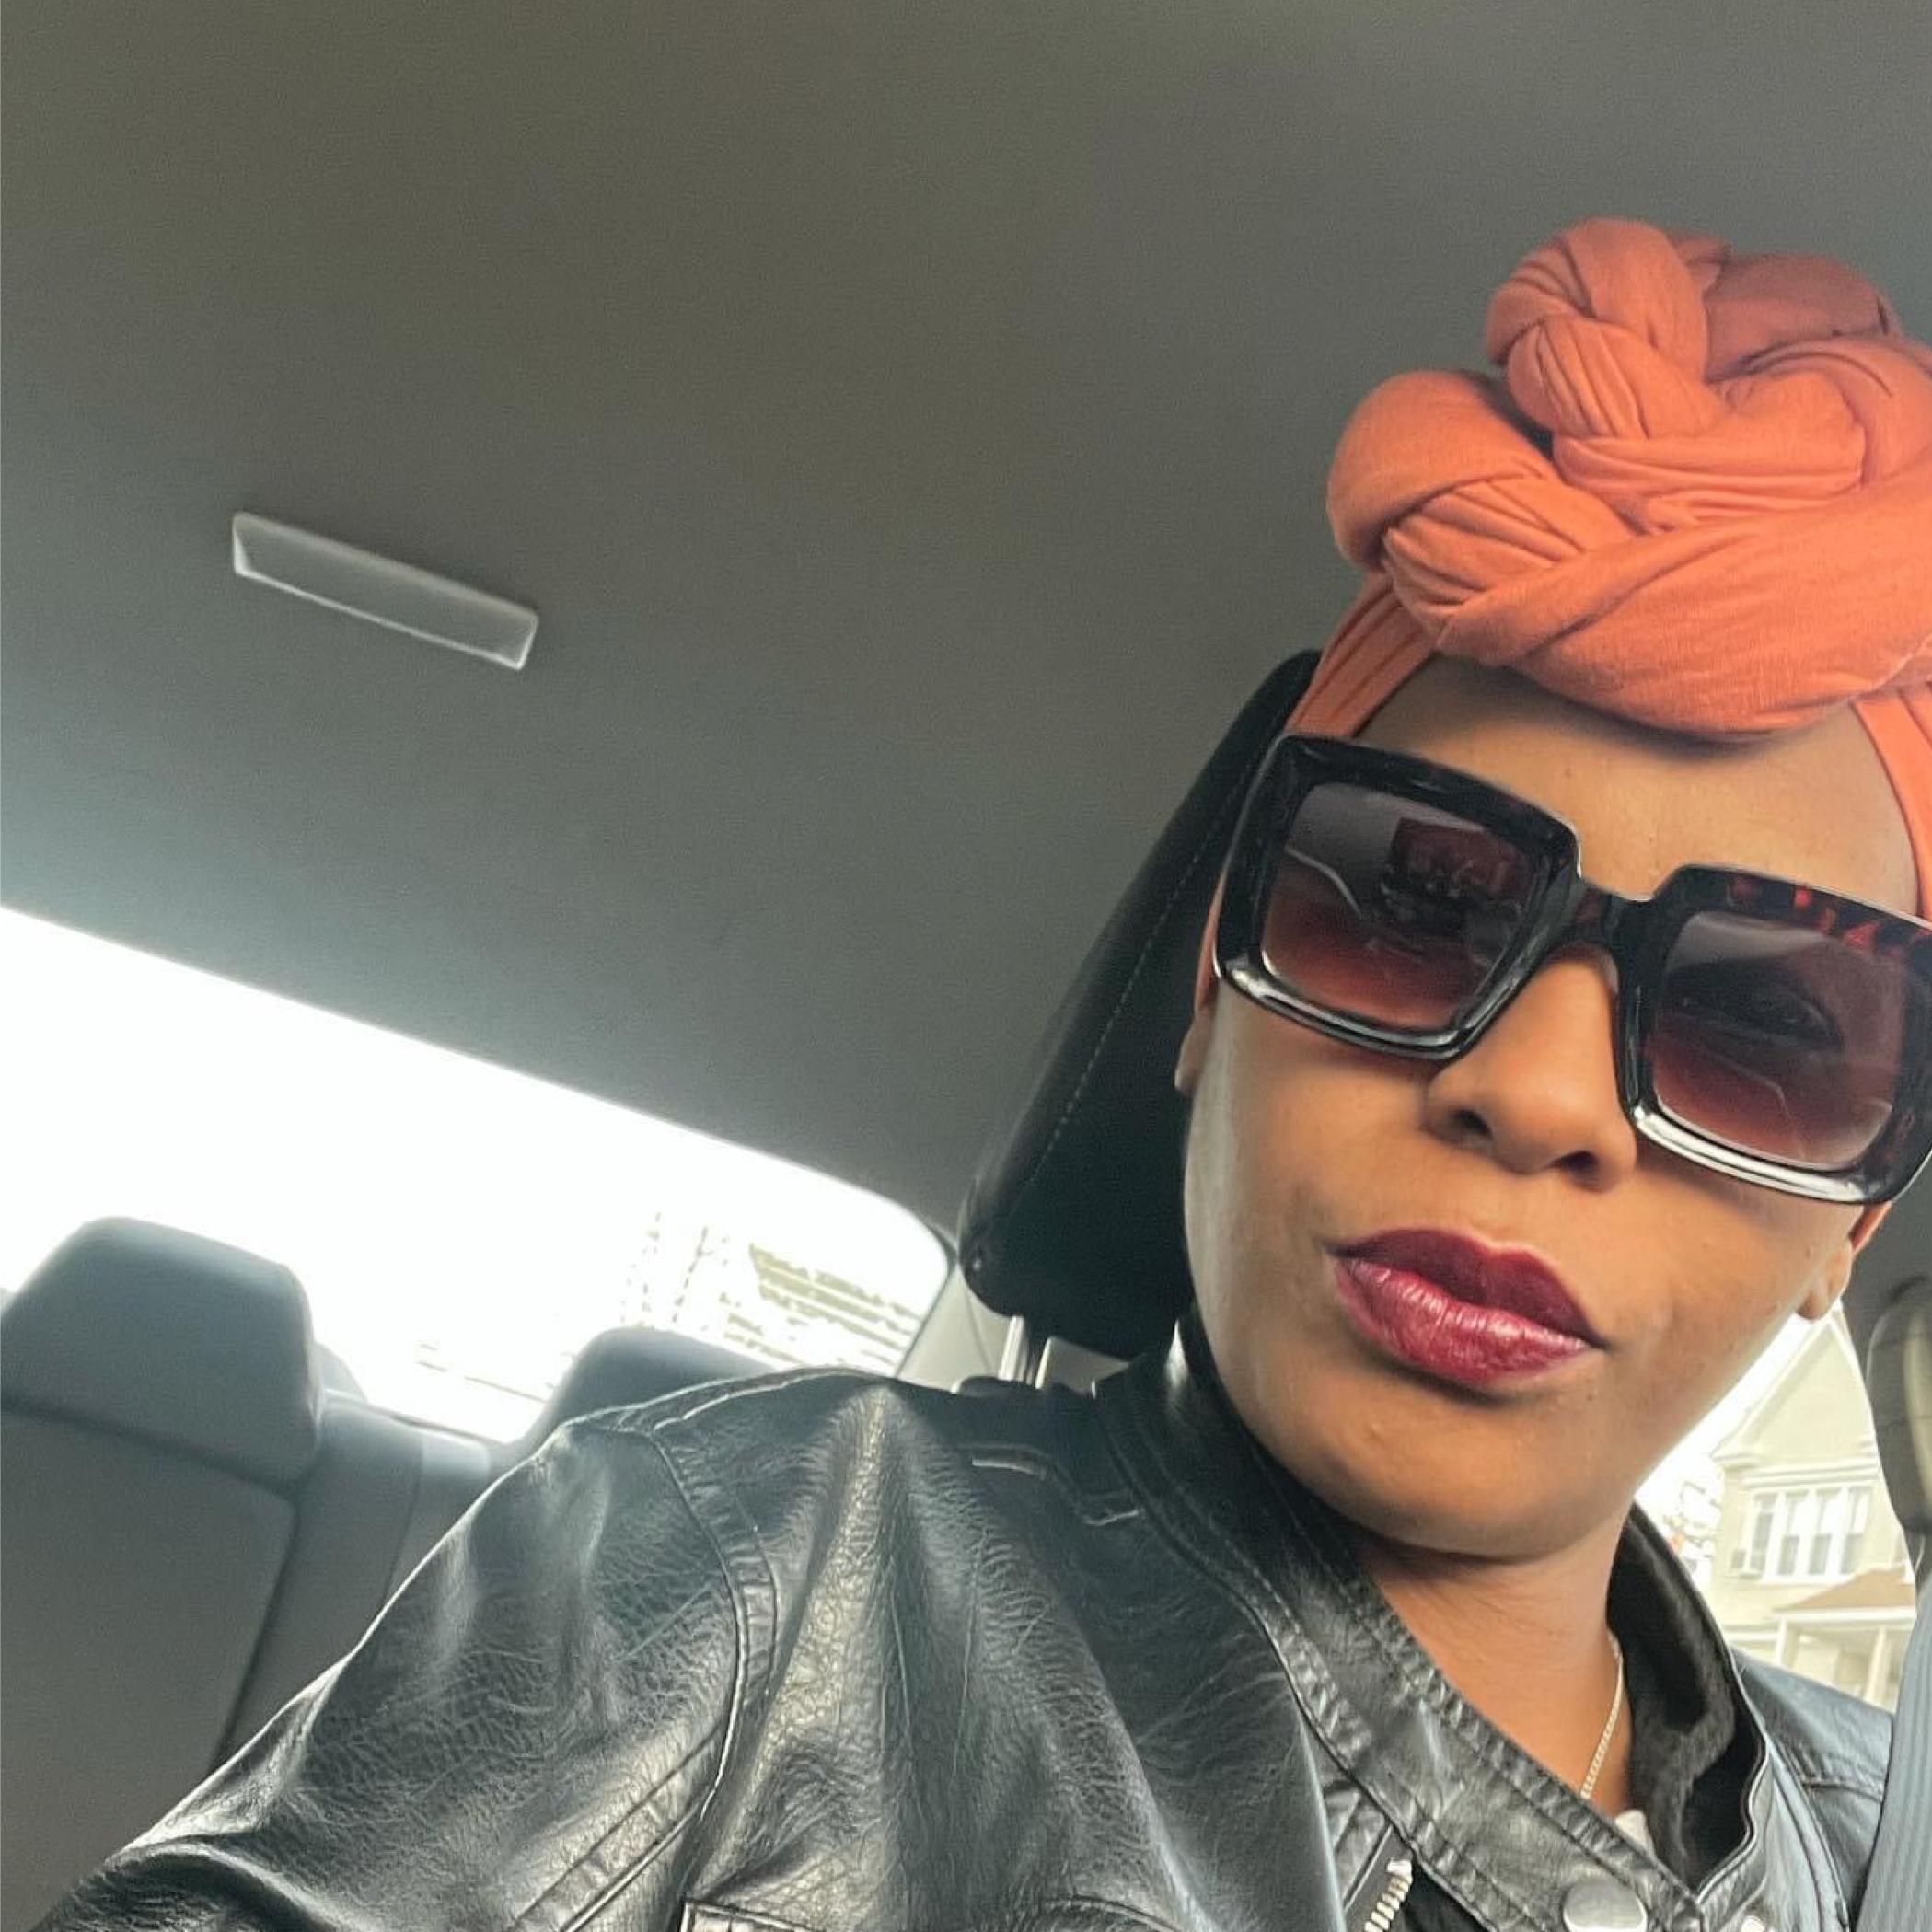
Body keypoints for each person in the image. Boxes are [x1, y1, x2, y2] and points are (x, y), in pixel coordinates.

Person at [42, 216, 1932, 1932]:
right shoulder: (754, 1577)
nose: (1538, 1095)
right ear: (1212, 990)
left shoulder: (1887, 1842)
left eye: (1765, 1029)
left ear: (1860, 1213)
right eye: (1411, 907)